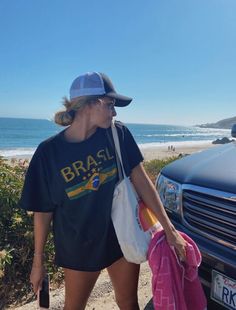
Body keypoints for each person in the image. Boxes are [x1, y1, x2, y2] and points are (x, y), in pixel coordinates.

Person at [19, 72, 186, 310]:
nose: (115, 112)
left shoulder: (118, 134)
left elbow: (141, 181)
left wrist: (170, 230)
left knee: (128, 303)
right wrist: (38, 262)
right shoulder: (48, 153)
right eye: (110, 105)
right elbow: (42, 211)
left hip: (120, 238)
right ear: (88, 104)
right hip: (78, 245)